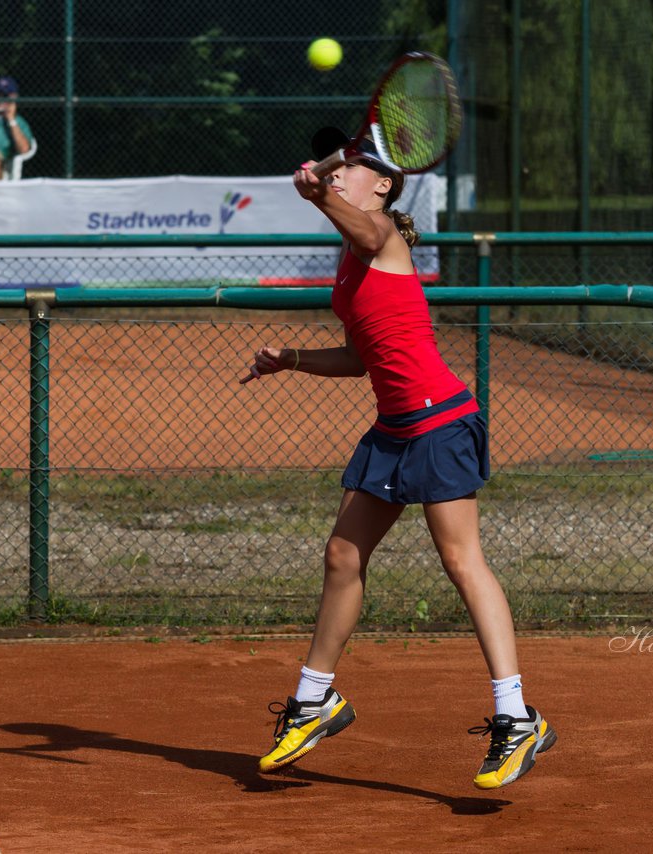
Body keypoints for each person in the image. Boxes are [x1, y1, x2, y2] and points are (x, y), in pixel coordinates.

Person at [239, 127, 557, 790]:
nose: (340, 174)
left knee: (462, 563)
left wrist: (316, 194)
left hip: (439, 423)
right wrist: (292, 359)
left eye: (350, 168)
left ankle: (516, 717)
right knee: (342, 555)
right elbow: (361, 358)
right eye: (338, 168)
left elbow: (357, 228)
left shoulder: (382, 238)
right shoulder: (352, 260)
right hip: (394, 430)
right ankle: (313, 700)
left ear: (382, 185)